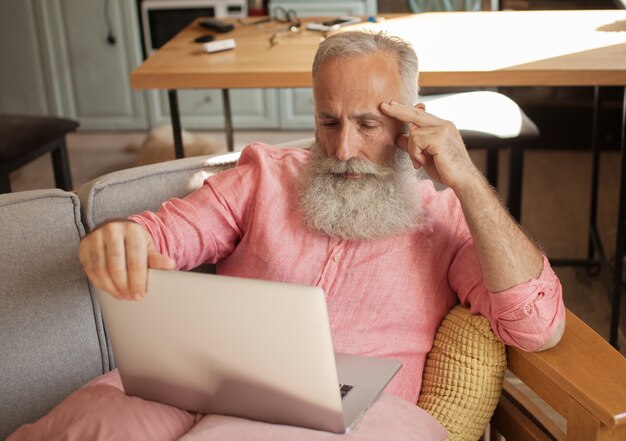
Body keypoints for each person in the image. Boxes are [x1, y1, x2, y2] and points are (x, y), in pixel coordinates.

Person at [79, 31, 565, 404]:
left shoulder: (447, 221)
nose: (343, 149)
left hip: (360, 417)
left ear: (412, 120)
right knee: (98, 412)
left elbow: (537, 327)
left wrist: (469, 183)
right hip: (223, 386)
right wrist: (124, 239)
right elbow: (163, 235)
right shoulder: (265, 176)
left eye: (368, 124)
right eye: (328, 122)